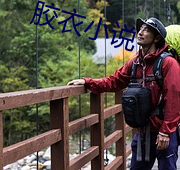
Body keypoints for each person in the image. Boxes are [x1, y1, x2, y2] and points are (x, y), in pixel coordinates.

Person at [67, 17, 180, 170]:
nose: (140, 32)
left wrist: (166, 132)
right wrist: (87, 82)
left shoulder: (168, 63)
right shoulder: (135, 63)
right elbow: (114, 81)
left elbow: (174, 98)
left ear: (157, 38)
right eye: (140, 29)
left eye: (146, 30)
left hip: (163, 131)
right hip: (143, 131)